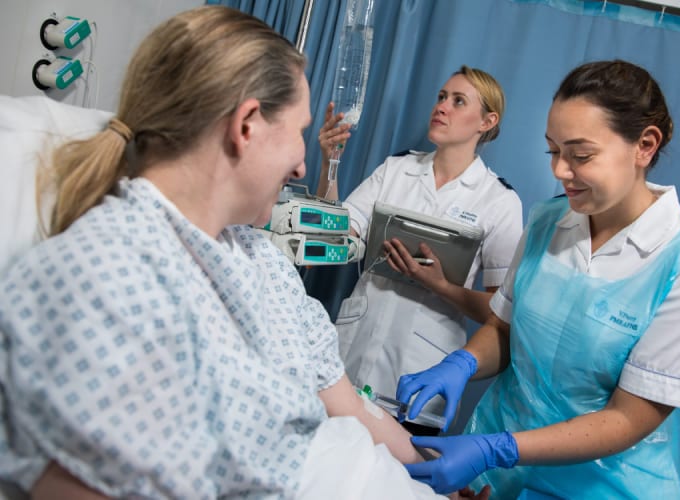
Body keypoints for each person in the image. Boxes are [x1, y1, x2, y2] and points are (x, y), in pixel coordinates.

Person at [0, 6, 481, 499]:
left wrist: (432, 475)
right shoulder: (106, 280)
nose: (300, 164)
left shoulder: (260, 259)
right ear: (247, 125)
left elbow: (353, 408)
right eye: (298, 133)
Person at [396, 59, 680, 498]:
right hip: (503, 472)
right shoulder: (548, 221)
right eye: (553, 151)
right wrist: (463, 363)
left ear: (645, 146)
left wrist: (496, 449)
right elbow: (504, 328)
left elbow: (630, 417)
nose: (559, 171)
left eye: (581, 155)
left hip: (606, 483)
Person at [316, 66, 523, 435]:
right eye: (441, 97)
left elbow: (501, 312)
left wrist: (440, 285)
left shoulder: (499, 200)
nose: (442, 107)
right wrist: (330, 163)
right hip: (353, 351)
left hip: (421, 368)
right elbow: (335, 235)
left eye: (458, 101)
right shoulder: (396, 169)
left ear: (487, 121)